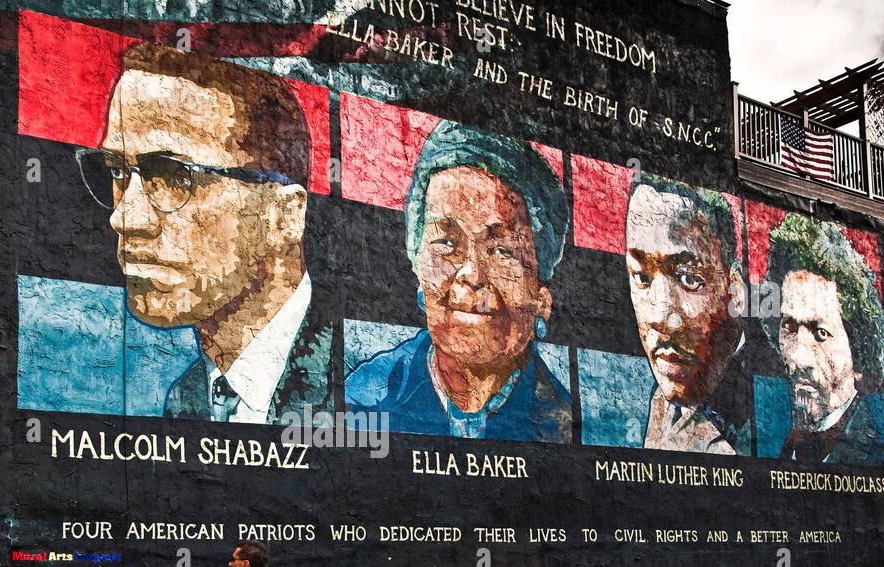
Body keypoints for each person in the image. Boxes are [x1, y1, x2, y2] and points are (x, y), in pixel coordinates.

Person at [74, 43, 332, 423]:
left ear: (283, 215)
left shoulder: (363, 385)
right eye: (116, 170)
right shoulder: (187, 398)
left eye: (173, 176)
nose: (124, 218)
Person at [345, 120, 572, 441]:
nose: (471, 276)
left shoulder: (565, 424)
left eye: (501, 250)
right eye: (446, 244)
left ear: (542, 297)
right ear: (418, 266)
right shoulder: (362, 401)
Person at [625, 174, 751, 454]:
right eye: (641, 277)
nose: (660, 316)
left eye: (690, 280)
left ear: (736, 293)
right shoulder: (664, 395)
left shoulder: (764, 401)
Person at [762, 213, 884, 465]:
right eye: (788, 326)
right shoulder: (784, 443)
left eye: (821, 333)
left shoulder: (876, 453)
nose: (799, 358)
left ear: (860, 359)